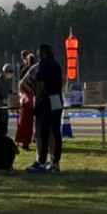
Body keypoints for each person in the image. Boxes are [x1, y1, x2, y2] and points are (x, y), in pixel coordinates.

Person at [24, 42, 63, 174]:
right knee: (56, 132)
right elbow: (62, 81)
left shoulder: (43, 65)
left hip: (46, 100)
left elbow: (40, 83)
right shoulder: (57, 65)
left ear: (43, 53)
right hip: (57, 98)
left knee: (44, 132)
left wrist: (39, 96)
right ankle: (55, 162)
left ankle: (41, 162)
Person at [15, 51, 36, 151]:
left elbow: (20, 84)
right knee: (37, 121)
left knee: (25, 122)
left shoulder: (25, 70)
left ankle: (25, 142)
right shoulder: (36, 70)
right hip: (35, 97)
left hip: (27, 98)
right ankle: (36, 139)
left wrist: (24, 94)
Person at [0, 63, 15, 139]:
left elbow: (9, 90)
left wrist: (12, 94)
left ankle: (4, 138)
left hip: (5, 106)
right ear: (4, 72)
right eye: (9, 72)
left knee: (5, 122)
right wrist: (2, 99)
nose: (10, 74)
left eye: (11, 72)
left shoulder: (9, 80)